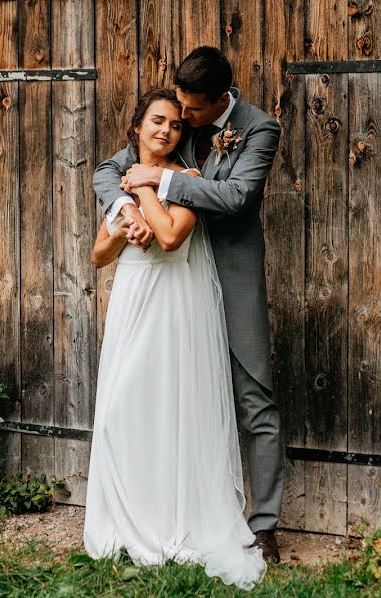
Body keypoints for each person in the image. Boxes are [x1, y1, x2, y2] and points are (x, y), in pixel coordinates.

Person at [92, 46, 285, 563]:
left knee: (254, 396)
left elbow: (238, 197)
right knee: (170, 393)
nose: (182, 120)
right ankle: (165, 510)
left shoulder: (259, 128)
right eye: (176, 109)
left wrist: (159, 180)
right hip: (175, 281)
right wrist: (123, 207)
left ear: (218, 100)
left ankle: (263, 525)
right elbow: (109, 170)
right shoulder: (177, 116)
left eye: (192, 112)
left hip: (231, 273)